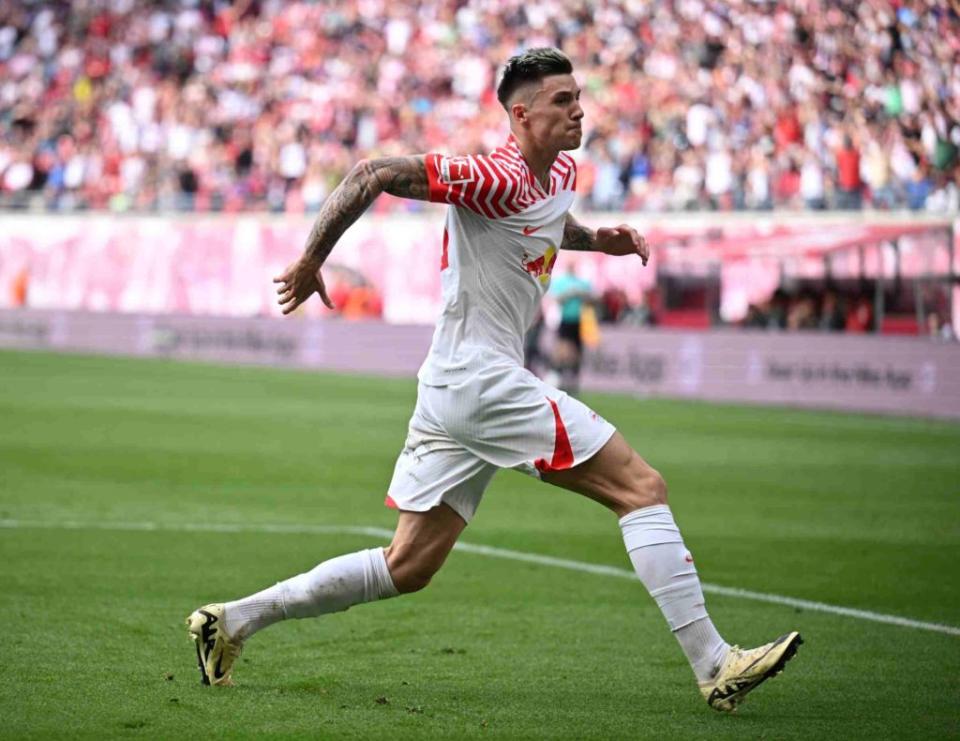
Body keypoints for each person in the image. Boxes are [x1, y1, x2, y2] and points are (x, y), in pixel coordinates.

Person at [187, 48, 801, 713]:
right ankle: (715, 662)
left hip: (455, 387)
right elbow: (372, 172)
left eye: (578, 97)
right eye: (562, 100)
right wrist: (311, 261)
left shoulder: (560, 170)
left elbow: (548, 222)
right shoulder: (492, 175)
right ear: (521, 113)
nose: (578, 109)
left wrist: (599, 240)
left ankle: (232, 621)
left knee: (408, 566)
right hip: (481, 379)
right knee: (641, 486)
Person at [547, 264, 593, 394]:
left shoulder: (582, 283)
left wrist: (582, 294)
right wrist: (570, 294)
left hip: (579, 320)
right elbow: (557, 300)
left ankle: (571, 380)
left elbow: (591, 299)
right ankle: (557, 377)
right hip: (566, 319)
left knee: (576, 351)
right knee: (563, 350)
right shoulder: (561, 282)